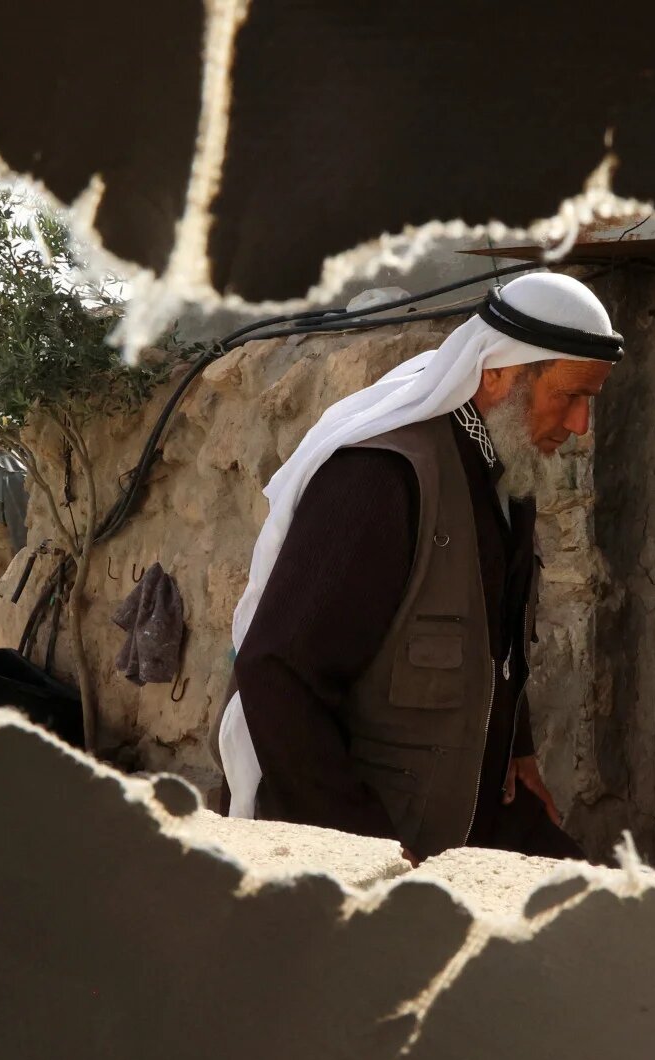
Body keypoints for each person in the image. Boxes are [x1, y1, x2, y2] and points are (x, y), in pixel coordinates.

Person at [217, 272, 622, 864]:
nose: (582, 425)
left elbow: (498, 641)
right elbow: (276, 673)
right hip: (376, 824)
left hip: (475, 809)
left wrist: (518, 749)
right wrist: (366, 854)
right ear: (498, 373)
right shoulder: (381, 481)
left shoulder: (506, 470)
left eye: (590, 400)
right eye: (569, 396)